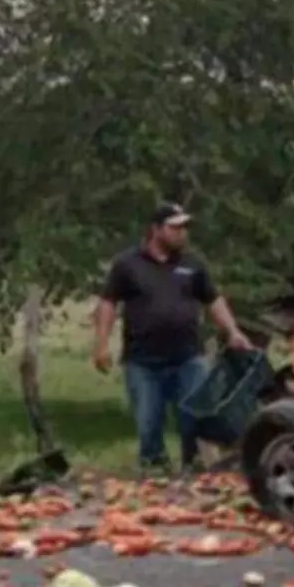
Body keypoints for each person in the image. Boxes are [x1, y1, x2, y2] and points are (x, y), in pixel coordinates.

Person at [93, 203, 254, 473]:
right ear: (156, 230)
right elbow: (108, 303)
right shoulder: (127, 264)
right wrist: (101, 343)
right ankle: (156, 474)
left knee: (195, 416)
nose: (182, 234)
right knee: (148, 424)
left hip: (187, 357)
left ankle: (194, 468)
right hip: (143, 361)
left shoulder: (193, 264)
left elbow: (213, 300)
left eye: (184, 228)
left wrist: (233, 331)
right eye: (175, 228)